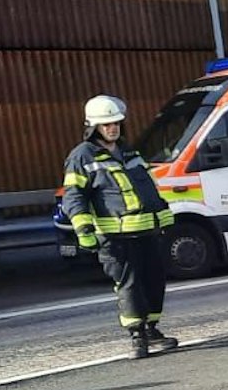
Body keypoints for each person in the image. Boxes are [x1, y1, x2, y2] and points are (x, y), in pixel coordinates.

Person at [61, 95, 177, 359]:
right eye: (106, 124)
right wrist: (84, 230)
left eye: (116, 123)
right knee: (130, 284)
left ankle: (152, 329)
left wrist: (164, 216)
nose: (112, 128)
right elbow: (74, 195)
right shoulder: (81, 156)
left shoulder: (130, 152)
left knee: (154, 280)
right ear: (93, 127)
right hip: (115, 236)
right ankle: (137, 336)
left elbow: (148, 188)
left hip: (146, 230)